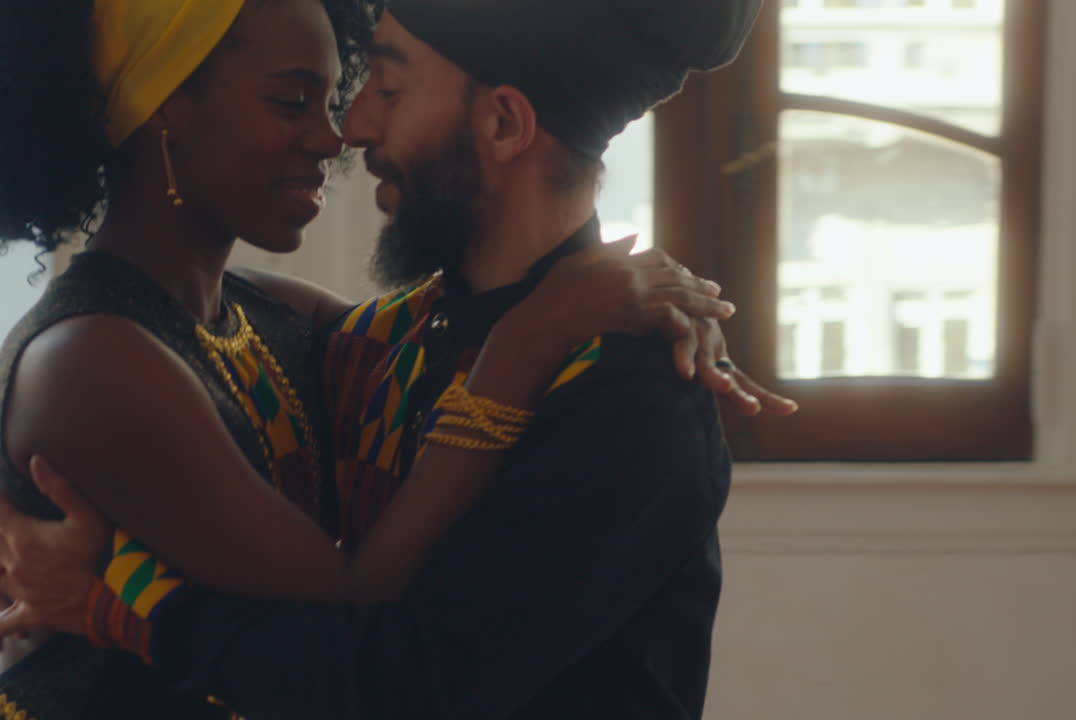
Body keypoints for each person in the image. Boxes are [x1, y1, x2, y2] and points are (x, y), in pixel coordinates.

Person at [0, 0, 783, 718]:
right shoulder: (405, 341)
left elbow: (406, 687)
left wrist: (114, 592)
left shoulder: (630, 395)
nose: (352, 129)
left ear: (505, 125)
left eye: (388, 88)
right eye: (298, 98)